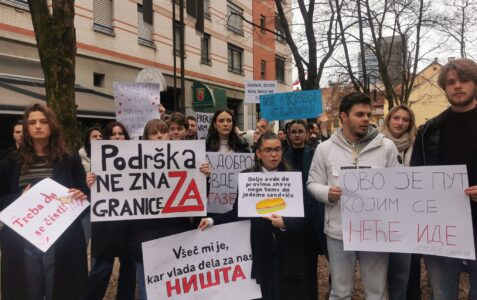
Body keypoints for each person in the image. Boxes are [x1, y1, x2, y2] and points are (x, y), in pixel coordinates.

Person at [307, 92, 399, 299]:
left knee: (376, 291)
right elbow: (312, 183)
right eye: (359, 114)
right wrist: (327, 193)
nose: (366, 119)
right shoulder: (325, 149)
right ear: (343, 116)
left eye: (368, 115)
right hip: (338, 231)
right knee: (340, 291)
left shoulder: (386, 147)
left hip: (375, 230)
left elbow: (398, 186)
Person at [198, 132, 307, 300]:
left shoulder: (294, 175)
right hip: (259, 247)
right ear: (258, 153)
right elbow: (238, 212)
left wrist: (285, 223)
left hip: (287, 250)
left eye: (277, 149)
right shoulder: (247, 176)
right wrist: (212, 220)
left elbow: (305, 216)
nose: (273, 154)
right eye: (268, 150)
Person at [0, 103, 88, 299]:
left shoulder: (69, 159)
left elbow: (83, 194)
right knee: (26, 292)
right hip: (22, 240)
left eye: (43, 121)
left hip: (62, 240)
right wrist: (20, 199)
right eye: (32, 122)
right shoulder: (11, 161)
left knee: (60, 290)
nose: (38, 126)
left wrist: (81, 195)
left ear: (52, 125)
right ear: (26, 127)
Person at [410, 58, 477, 299]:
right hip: (441, 227)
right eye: (450, 82)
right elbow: (416, 177)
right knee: (442, 294)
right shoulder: (429, 131)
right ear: (444, 87)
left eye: (464, 80)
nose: (457, 86)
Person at [84, 121, 136, 300]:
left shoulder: (137, 157)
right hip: (106, 223)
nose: (117, 137)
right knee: (102, 269)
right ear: (107, 137)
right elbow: (95, 194)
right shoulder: (98, 160)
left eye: (121, 133)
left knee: (129, 268)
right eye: (113, 134)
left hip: (130, 222)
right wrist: (89, 184)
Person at [283, 119, 326, 300]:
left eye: (301, 131)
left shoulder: (316, 152)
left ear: (307, 133)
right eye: (294, 132)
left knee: (310, 262)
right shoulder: (282, 154)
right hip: (289, 213)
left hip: (310, 214)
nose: (297, 135)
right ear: (288, 134)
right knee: (291, 261)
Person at [381, 104, 417, 300]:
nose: (400, 123)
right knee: (377, 277)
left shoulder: (417, 147)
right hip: (379, 217)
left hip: (407, 219)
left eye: (405, 119)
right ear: (388, 120)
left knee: (401, 275)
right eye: (397, 118)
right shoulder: (375, 145)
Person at [78, 126, 103, 244]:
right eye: (95, 136)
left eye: (100, 136)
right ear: (88, 139)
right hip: (87, 203)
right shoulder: (78, 158)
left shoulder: (107, 155)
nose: (98, 138)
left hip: (103, 203)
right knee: (84, 238)